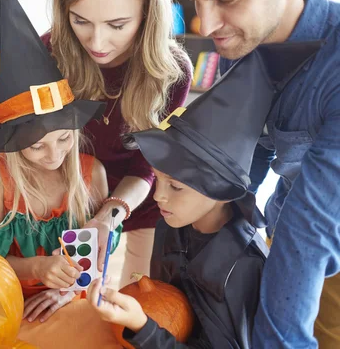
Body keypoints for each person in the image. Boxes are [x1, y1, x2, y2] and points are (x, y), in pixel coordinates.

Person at [0, 0, 193, 285]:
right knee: (71, 291)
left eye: (117, 24)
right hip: (70, 197)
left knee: (139, 294)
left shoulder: (173, 72)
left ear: (148, 12)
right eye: (80, 20)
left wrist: (109, 215)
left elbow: (146, 165)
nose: (97, 42)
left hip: (134, 197)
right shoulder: (49, 53)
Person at [87, 42, 320, 348]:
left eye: (176, 186)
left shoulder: (240, 268)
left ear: (221, 191)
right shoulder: (169, 226)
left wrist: (142, 327)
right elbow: (167, 308)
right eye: (157, 180)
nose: (158, 197)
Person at [181, 0, 340, 346]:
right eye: (197, 0)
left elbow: (311, 225)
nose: (207, 24)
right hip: (288, 241)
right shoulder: (248, 40)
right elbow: (250, 156)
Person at [0, 0, 121, 323]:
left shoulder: (91, 173)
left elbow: (98, 259)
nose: (54, 156)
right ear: (14, 142)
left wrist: (70, 288)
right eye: (37, 147)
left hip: (75, 303)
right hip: (12, 302)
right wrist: (38, 266)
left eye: (64, 139)